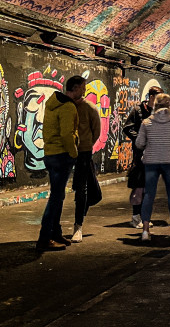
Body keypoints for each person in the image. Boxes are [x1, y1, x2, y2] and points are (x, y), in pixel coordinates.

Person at [36, 76, 83, 252]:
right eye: (83, 88)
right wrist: (74, 154)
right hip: (62, 155)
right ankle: (44, 238)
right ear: (76, 88)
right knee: (56, 198)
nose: (84, 92)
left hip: (51, 154)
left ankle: (55, 233)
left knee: (58, 196)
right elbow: (66, 134)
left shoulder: (53, 103)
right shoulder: (68, 107)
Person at [135, 93, 170, 241]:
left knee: (149, 195)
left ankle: (145, 230)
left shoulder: (147, 122)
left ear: (156, 105)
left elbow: (139, 144)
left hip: (151, 162)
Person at [123, 86, 163, 228]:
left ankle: (143, 216)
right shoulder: (138, 110)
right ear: (151, 97)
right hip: (141, 155)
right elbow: (127, 128)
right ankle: (135, 217)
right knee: (138, 186)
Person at [71, 91, 101, 243]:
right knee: (78, 190)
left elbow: (96, 131)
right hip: (65, 152)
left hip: (83, 153)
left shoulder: (89, 108)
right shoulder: (65, 106)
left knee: (82, 190)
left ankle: (78, 225)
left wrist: (86, 146)